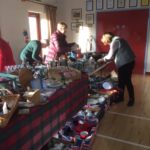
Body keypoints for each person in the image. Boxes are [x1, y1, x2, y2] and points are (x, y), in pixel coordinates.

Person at [98, 32, 136, 106]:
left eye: (105, 42)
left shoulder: (115, 42)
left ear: (107, 39)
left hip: (126, 63)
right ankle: (121, 97)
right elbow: (115, 54)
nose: (106, 44)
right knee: (121, 81)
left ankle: (131, 99)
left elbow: (110, 56)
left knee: (127, 81)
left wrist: (102, 59)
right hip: (129, 62)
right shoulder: (118, 39)